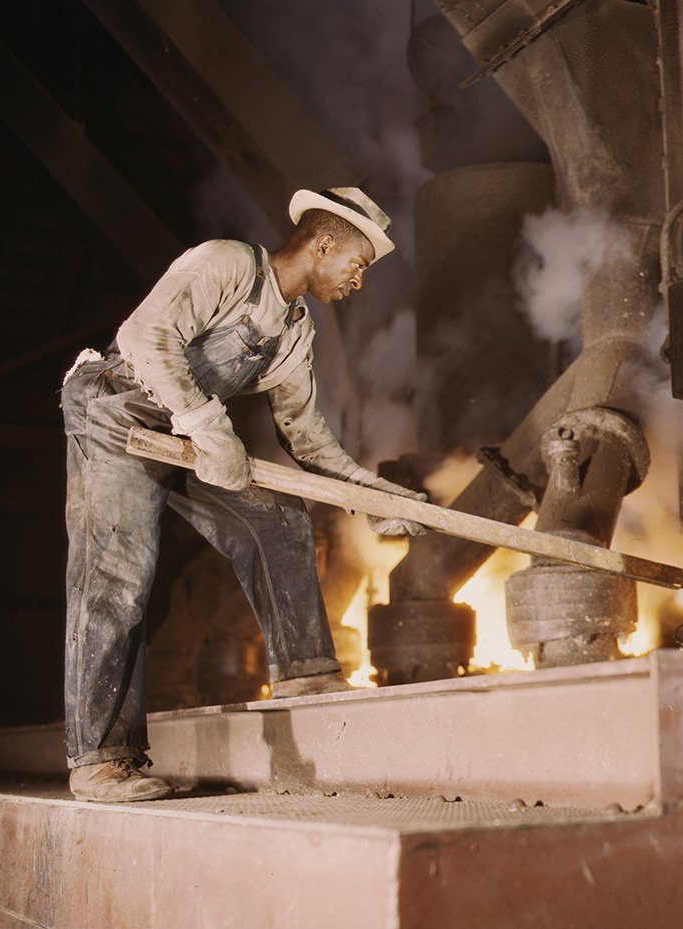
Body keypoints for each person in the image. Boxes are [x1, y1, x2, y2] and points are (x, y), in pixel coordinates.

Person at [60, 187, 424, 803]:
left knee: (279, 520)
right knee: (118, 571)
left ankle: (306, 675)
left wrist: (374, 496)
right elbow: (147, 337)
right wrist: (206, 424)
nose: (358, 281)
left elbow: (308, 440)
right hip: (115, 414)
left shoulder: (293, 333)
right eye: (358, 265)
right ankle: (100, 759)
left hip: (183, 433)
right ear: (323, 242)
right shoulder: (226, 263)